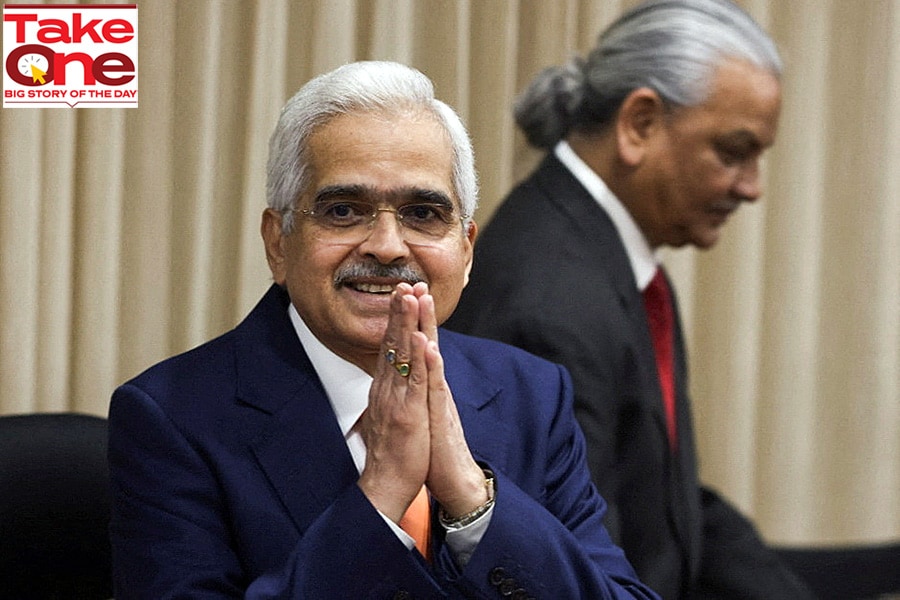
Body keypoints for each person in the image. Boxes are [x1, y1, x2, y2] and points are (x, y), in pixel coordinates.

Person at [107, 61, 658, 599]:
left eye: (423, 214)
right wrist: (380, 495)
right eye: (344, 211)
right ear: (278, 243)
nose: (388, 246)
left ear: (466, 251)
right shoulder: (172, 416)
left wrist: (473, 501)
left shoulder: (530, 395)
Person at [445, 1, 816, 599]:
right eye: (733, 151)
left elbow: (665, 502)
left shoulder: (605, 258)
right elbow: (574, 564)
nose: (751, 187)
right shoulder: (551, 300)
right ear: (639, 124)